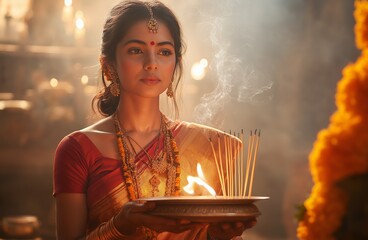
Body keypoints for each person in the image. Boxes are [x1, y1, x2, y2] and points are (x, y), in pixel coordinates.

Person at [53, 1, 257, 239]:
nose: (152, 63)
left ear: (175, 64)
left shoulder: (209, 147)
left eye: (164, 52)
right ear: (108, 65)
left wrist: (218, 236)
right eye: (136, 50)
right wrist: (120, 225)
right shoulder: (77, 150)